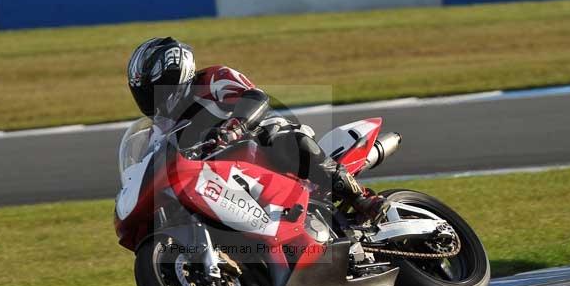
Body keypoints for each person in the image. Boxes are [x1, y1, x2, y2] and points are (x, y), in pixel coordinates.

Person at [126, 36, 384, 218]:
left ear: (176, 76)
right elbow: (154, 162)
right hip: (218, 177)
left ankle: (359, 197)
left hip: (255, 143)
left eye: (154, 89)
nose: (151, 98)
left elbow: (255, 97)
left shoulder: (212, 78)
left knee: (281, 139)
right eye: (144, 92)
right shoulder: (159, 129)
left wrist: (235, 126)